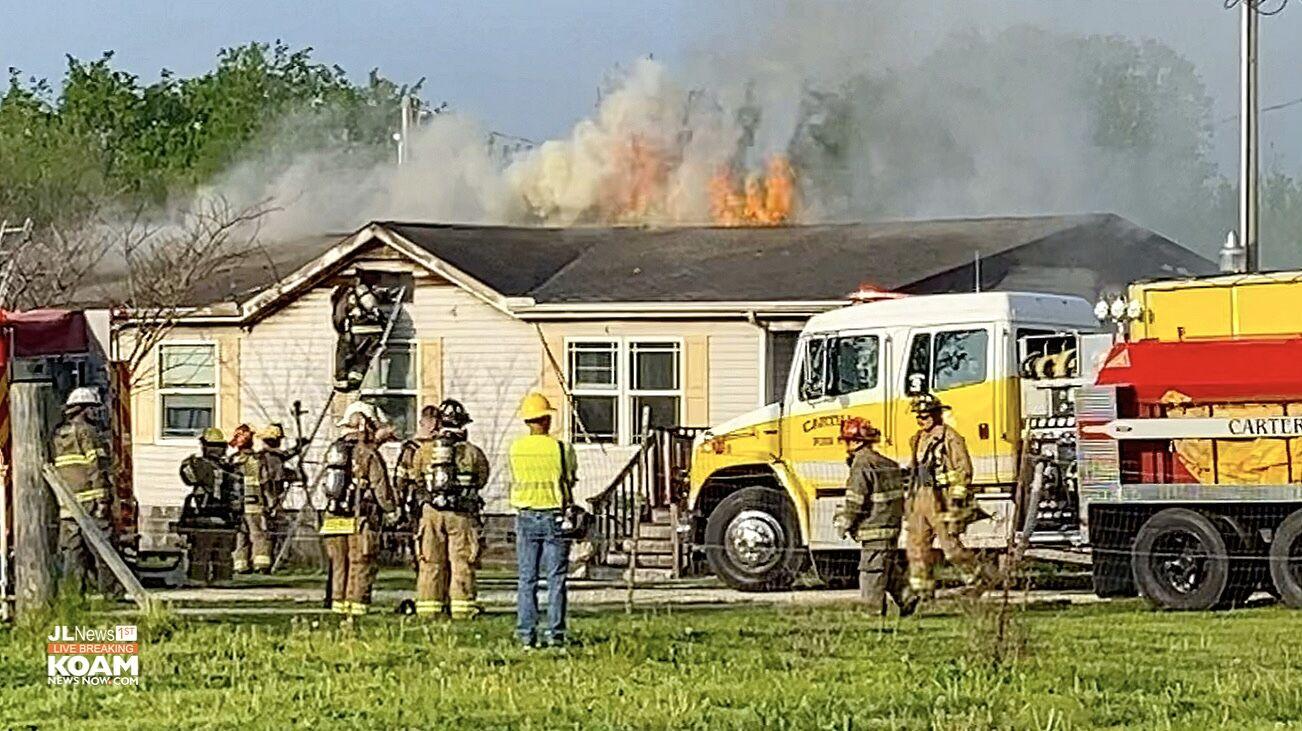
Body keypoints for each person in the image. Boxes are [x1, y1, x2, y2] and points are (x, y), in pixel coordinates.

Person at [402, 399, 490, 619]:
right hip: (461, 514)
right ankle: (462, 609)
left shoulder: (424, 451)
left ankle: (428, 609)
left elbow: (417, 478)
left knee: (430, 562)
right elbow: (481, 480)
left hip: (431, 514)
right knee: (462, 561)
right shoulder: (473, 453)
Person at [508, 392, 578, 648]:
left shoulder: (516, 448)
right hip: (554, 516)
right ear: (546, 419)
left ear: (527, 421)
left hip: (525, 515)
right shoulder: (561, 448)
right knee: (556, 578)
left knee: (527, 579)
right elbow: (570, 478)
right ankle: (555, 635)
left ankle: (527, 635)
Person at [320, 401, 398, 620]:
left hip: (333, 519)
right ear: (365, 425)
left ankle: (338, 607)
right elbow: (381, 488)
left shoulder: (334, 450)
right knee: (360, 564)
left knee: (339, 565)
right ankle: (357, 607)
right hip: (359, 519)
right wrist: (392, 511)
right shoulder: (367, 454)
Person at [833, 417, 917, 617]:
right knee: (885, 565)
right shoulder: (887, 463)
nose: (846, 446)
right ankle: (907, 597)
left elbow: (856, 500)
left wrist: (844, 524)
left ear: (856, 441)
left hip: (873, 526)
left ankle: (872, 611)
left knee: (871, 571)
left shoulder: (861, 465)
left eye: (847, 441)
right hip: (891, 524)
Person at [905, 394, 983, 598]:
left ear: (937, 415)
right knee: (918, 546)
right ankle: (922, 591)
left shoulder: (950, 437)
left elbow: (963, 470)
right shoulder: (916, 439)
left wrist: (956, 500)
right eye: (918, 416)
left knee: (950, 546)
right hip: (921, 496)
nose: (922, 420)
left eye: (926, 415)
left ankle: (975, 581)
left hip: (942, 498)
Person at [48, 387, 115, 595]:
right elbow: (97, 467)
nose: (96, 413)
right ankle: (111, 594)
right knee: (104, 551)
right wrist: (103, 500)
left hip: (67, 505)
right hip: (91, 503)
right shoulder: (88, 432)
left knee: (73, 552)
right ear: (83, 410)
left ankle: (73, 596)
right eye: (93, 408)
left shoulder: (58, 434)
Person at [178, 427, 239, 583]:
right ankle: (222, 579)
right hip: (226, 519)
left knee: (201, 551)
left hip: (203, 517)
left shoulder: (198, 465)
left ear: (205, 446)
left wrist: (188, 462)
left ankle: (197, 579)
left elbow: (188, 478)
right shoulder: (231, 469)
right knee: (223, 552)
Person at [229, 424, 271, 574]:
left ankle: (240, 565)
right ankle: (261, 563)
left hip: (237, 505)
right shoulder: (257, 460)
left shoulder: (232, 461)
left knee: (241, 535)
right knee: (258, 534)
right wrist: (270, 502)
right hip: (254, 503)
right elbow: (265, 481)